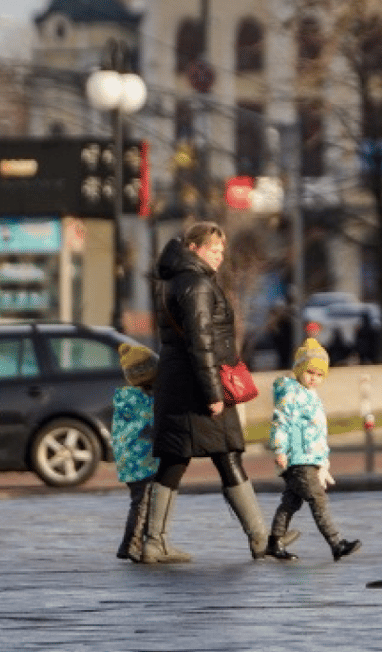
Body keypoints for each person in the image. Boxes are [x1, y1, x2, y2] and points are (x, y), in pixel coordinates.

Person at [141, 221, 279, 563]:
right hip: (196, 386)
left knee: (183, 458)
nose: (219, 256)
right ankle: (259, 539)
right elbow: (201, 343)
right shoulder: (196, 284)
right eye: (213, 250)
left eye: (221, 250)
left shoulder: (176, 280)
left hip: (180, 384)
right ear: (194, 249)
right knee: (220, 454)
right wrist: (213, 393)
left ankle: (154, 541)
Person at [263, 337, 362, 562]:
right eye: (310, 373)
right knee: (318, 500)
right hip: (298, 458)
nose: (314, 379)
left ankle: (274, 542)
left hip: (308, 458)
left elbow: (318, 433)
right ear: (299, 370)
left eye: (319, 375)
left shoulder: (311, 396)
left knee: (290, 502)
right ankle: (336, 543)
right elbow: (281, 422)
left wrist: (323, 462)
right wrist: (279, 449)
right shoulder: (292, 393)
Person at [112, 343, 160, 561]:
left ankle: (132, 543)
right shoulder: (144, 400)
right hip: (141, 461)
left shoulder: (126, 397)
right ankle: (130, 544)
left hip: (128, 460)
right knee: (141, 502)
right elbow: (150, 426)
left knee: (139, 501)